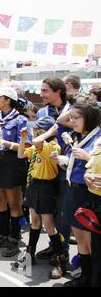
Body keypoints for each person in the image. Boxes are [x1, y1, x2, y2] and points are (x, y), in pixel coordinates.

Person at [0, 87, 29, 257]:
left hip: (12, 163)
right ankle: (1, 235)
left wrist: (0, 141)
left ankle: (14, 239)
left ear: (8, 100)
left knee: (14, 203)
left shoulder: (20, 120)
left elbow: (25, 147)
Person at [59, 102, 100, 287]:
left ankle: (93, 278)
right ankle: (84, 276)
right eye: (71, 118)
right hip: (72, 189)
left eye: (76, 118)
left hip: (88, 193)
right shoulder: (78, 136)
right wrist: (64, 160)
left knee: (91, 240)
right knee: (79, 237)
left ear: (89, 119)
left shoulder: (98, 138)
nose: (72, 121)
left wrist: (88, 157)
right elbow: (74, 163)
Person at [16, 117, 64, 276]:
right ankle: (30, 254)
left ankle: (59, 260)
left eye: (39, 129)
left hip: (46, 188)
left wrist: (50, 132)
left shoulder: (52, 146)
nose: (35, 131)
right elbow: (21, 155)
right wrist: (23, 139)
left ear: (48, 131)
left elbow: (37, 141)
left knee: (49, 226)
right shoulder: (38, 147)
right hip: (34, 185)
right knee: (34, 221)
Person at [35, 78, 72, 268]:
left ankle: (62, 255)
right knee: (49, 213)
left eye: (45, 91)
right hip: (46, 170)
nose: (41, 95)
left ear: (58, 91)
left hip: (67, 170)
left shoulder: (74, 110)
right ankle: (54, 245)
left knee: (63, 215)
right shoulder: (43, 112)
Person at [83, 135, 101, 287]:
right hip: (97, 201)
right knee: (97, 254)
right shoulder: (99, 141)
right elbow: (90, 165)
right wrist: (87, 175)